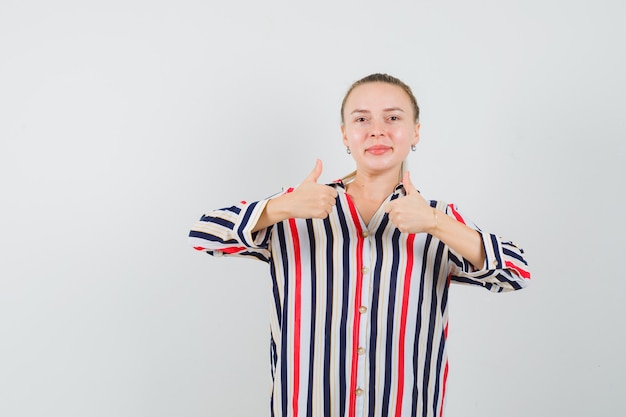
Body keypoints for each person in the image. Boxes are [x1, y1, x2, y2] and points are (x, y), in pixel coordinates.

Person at [188, 73, 530, 417]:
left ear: (415, 132)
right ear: (345, 135)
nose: (377, 130)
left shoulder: (438, 218)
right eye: (361, 119)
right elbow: (203, 234)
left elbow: (515, 272)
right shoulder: (299, 206)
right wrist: (280, 207)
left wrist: (435, 223)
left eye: (393, 118)